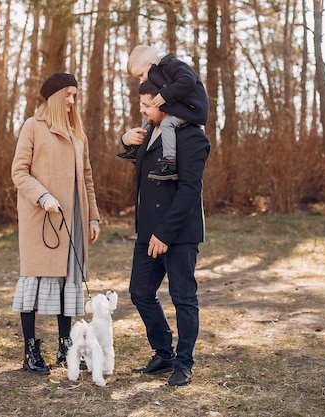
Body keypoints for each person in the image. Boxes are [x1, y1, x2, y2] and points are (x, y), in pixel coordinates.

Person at [120, 80, 210, 386]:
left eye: (148, 106)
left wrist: (165, 233)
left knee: (183, 297)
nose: (142, 111)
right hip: (147, 230)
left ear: (165, 104)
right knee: (140, 293)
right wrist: (127, 142)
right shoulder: (149, 132)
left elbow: (189, 190)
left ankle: (184, 363)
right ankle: (163, 353)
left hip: (179, 232)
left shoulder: (192, 137)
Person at [11, 72, 101, 375]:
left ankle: (66, 348)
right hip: (42, 220)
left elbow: (87, 178)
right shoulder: (33, 127)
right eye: (68, 95)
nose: (73, 101)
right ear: (54, 97)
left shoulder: (78, 134)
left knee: (67, 282)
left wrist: (92, 217)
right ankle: (30, 352)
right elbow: (19, 172)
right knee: (34, 283)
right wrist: (43, 196)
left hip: (72, 219)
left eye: (75, 95)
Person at [117, 45, 209, 181]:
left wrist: (166, 94)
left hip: (192, 109)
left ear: (151, 64)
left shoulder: (173, 66)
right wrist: (127, 141)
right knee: (147, 120)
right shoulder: (158, 77)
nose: (142, 79)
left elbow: (188, 80)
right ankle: (136, 149)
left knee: (167, 123)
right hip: (179, 106)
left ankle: (169, 163)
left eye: (141, 75)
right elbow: (146, 162)